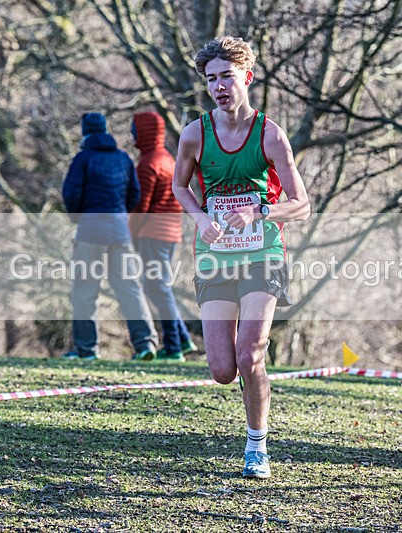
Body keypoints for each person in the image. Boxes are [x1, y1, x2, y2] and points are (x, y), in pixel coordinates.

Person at [172, 36, 310, 479]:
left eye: (227, 77)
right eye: (211, 79)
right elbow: (179, 187)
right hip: (215, 255)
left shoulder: (270, 134)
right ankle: (252, 419)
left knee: (250, 356)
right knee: (221, 369)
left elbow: (302, 203)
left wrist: (260, 210)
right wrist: (198, 217)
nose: (219, 86)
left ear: (246, 77)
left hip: (262, 254)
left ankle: (257, 446)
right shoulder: (195, 133)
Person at [61, 112, 159, 361]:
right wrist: (120, 214)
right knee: (130, 289)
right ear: (105, 131)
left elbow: (70, 193)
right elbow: (134, 194)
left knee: (85, 290)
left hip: (91, 229)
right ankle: (146, 344)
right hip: (119, 230)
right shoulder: (123, 158)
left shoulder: (83, 158)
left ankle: (87, 350)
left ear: (85, 133)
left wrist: (78, 217)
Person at [128, 111, 197, 361]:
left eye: (134, 129)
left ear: (144, 132)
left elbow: (140, 207)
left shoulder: (148, 164)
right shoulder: (168, 158)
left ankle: (175, 345)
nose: (132, 134)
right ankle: (182, 340)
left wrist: (130, 234)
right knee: (160, 287)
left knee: (157, 288)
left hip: (152, 233)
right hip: (170, 233)